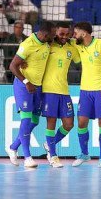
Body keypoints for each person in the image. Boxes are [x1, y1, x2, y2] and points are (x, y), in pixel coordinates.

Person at [5, 21, 56, 168]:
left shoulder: (47, 42)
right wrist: (26, 81)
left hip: (38, 87)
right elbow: (13, 66)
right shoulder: (27, 44)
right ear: (45, 34)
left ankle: (13, 147)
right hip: (24, 86)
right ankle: (27, 157)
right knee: (26, 120)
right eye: (52, 35)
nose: (54, 38)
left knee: (35, 121)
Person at [72, 22, 101, 168]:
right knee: (82, 122)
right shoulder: (78, 45)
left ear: (84, 33)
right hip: (85, 90)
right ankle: (84, 154)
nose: (74, 35)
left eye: (76, 32)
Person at [41, 22, 80, 168]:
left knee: (69, 124)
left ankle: (48, 144)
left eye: (67, 34)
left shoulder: (71, 47)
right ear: (55, 32)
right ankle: (53, 155)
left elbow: (81, 59)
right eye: (61, 34)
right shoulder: (47, 45)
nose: (64, 37)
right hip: (49, 91)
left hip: (64, 91)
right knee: (51, 124)